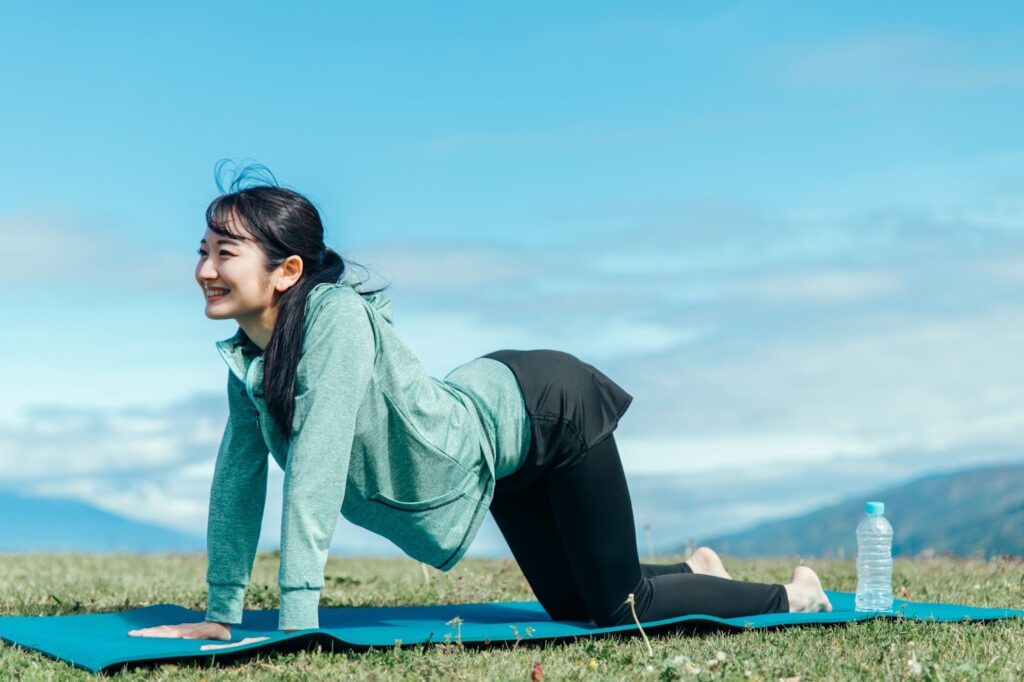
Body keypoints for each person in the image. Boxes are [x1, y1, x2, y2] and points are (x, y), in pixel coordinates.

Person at [128, 164, 831, 642]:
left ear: (286, 271)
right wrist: (221, 611)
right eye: (202, 250)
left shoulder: (334, 319)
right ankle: (698, 574)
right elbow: (239, 475)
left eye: (224, 253)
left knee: (622, 608)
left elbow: (317, 460)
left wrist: (298, 619)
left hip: (547, 411)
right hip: (493, 451)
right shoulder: (251, 357)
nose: (204, 269)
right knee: (573, 605)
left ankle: (793, 594)